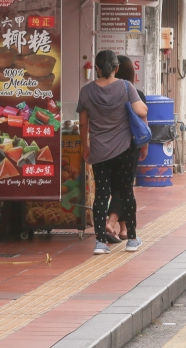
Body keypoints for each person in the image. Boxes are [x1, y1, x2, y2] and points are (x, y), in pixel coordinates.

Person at [77, 50, 148, 255]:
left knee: (101, 194)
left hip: (99, 151)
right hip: (124, 149)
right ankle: (132, 239)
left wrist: (85, 147)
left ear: (97, 68)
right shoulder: (126, 87)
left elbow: (83, 123)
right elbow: (142, 111)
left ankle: (100, 242)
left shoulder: (86, 91)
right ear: (116, 68)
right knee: (126, 192)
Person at [105, 55, 146, 242]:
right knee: (125, 187)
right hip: (130, 146)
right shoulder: (136, 94)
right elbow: (143, 120)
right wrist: (144, 145)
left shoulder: (105, 93)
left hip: (109, 145)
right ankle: (111, 222)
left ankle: (124, 230)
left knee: (117, 186)